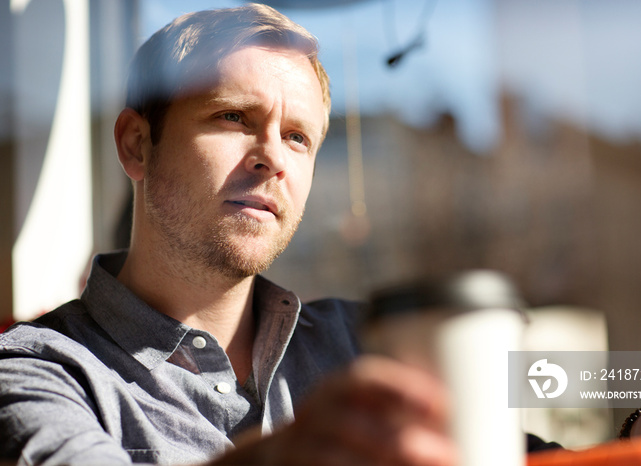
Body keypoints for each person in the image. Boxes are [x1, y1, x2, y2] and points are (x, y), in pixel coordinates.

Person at [0, 4, 456, 465]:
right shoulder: (35, 373)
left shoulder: (373, 342)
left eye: (298, 137)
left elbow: (530, 397)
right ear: (136, 144)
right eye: (234, 117)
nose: (273, 157)